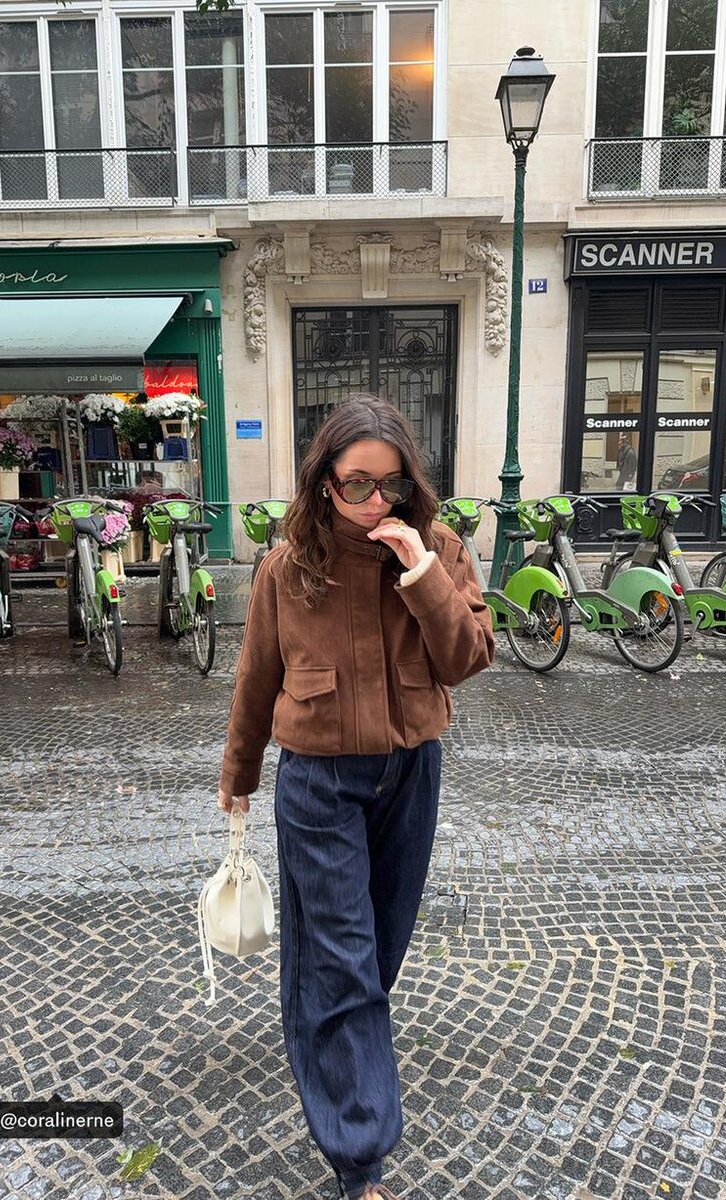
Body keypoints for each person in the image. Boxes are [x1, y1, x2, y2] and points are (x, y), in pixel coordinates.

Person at [217, 394, 495, 1200]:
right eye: (357, 484)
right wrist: (238, 777)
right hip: (318, 782)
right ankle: (359, 1158)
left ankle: (329, 1038)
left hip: (409, 775)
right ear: (323, 482)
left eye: (391, 484)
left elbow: (468, 657)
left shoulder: (439, 548)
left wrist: (422, 574)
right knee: (342, 958)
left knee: (377, 949)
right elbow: (256, 678)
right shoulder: (286, 567)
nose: (376, 501)